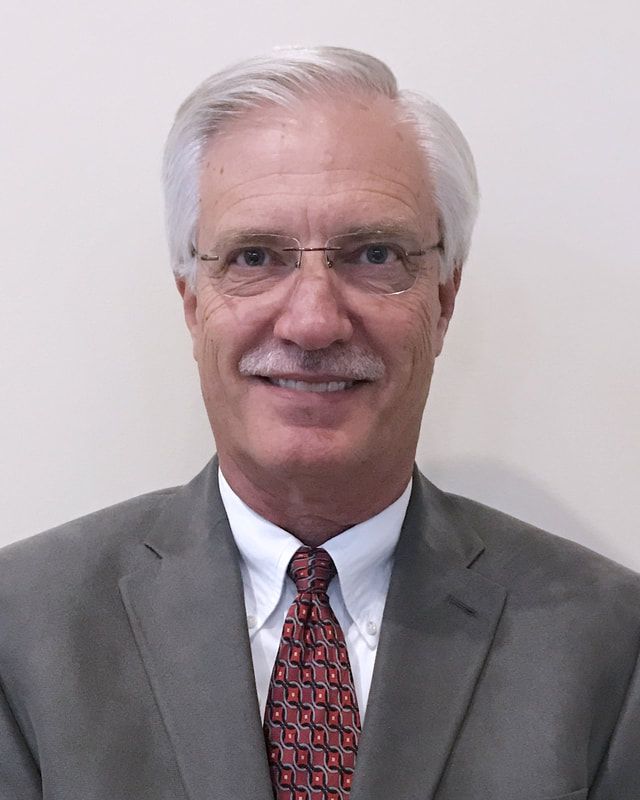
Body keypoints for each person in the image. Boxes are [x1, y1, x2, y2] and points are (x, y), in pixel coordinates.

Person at [1, 46, 638, 800]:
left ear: (443, 300)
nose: (311, 322)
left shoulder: (611, 645)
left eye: (373, 254)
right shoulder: (21, 634)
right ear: (192, 302)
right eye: (255, 257)